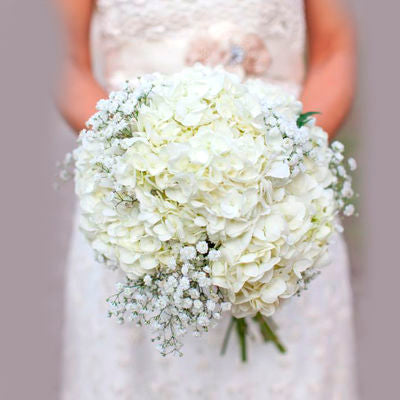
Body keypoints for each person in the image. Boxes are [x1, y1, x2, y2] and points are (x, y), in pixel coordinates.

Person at [56, 0, 357, 398]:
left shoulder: (284, 180)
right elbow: (63, 63)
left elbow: (334, 53)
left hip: (281, 206)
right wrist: (138, 169)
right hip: (138, 212)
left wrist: (284, 160)